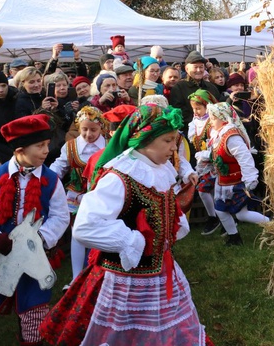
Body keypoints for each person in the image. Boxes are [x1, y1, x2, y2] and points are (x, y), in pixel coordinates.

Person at [40, 105, 212, 346]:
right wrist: (133, 241)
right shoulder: (119, 176)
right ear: (144, 139)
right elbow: (85, 227)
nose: (174, 147)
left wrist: (171, 221)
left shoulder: (159, 168)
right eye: (168, 140)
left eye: (174, 140)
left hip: (160, 270)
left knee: (160, 328)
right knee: (127, 331)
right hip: (125, 278)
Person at [0, 114, 69, 345]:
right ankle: (24, 328)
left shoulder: (51, 180)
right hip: (5, 252)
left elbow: (60, 216)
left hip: (37, 254)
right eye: (40, 146)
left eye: (46, 144)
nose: (46, 150)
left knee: (35, 300)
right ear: (20, 149)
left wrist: (40, 239)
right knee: (11, 295)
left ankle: (32, 338)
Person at [50, 107, 108, 285]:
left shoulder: (108, 146)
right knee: (78, 232)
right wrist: (48, 180)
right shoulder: (71, 146)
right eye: (84, 129)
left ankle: (97, 272)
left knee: (100, 231)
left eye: (93, 130)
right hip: (77, 194)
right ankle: (76, 277)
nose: (88, 134)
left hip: (101, 193)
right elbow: (59, 166)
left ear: (101, 129)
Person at [203, 102, 268, 246]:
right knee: (220, 210)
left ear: (223, 118)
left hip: (235, 181)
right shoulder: (219, 134)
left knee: (241, 214)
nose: (210, 121)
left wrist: (250, 178)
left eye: (213, 118)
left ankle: (272, 226)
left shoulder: (231, 136)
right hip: (224, 181)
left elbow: (244, 157)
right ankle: (234, 237)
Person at [188, 90, 221, 235]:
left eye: (199, 108)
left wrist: (207, 152)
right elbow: (192, 138)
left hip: (214, 162)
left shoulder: (214, 121)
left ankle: (214, 217)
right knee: (211, 191)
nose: (196, 111)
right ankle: (220, 219)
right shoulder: (195, 121)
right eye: (194, 109)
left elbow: (218, 143)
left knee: (204, 190)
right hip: (203, 162)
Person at [169, 51, 221, 129]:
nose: (198, 70)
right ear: (187, 69)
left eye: (201, 67)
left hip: (213, 129)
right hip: (189, 130)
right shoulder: (179, 88)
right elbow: (179, 112)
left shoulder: (211, 87)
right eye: (195, 67)